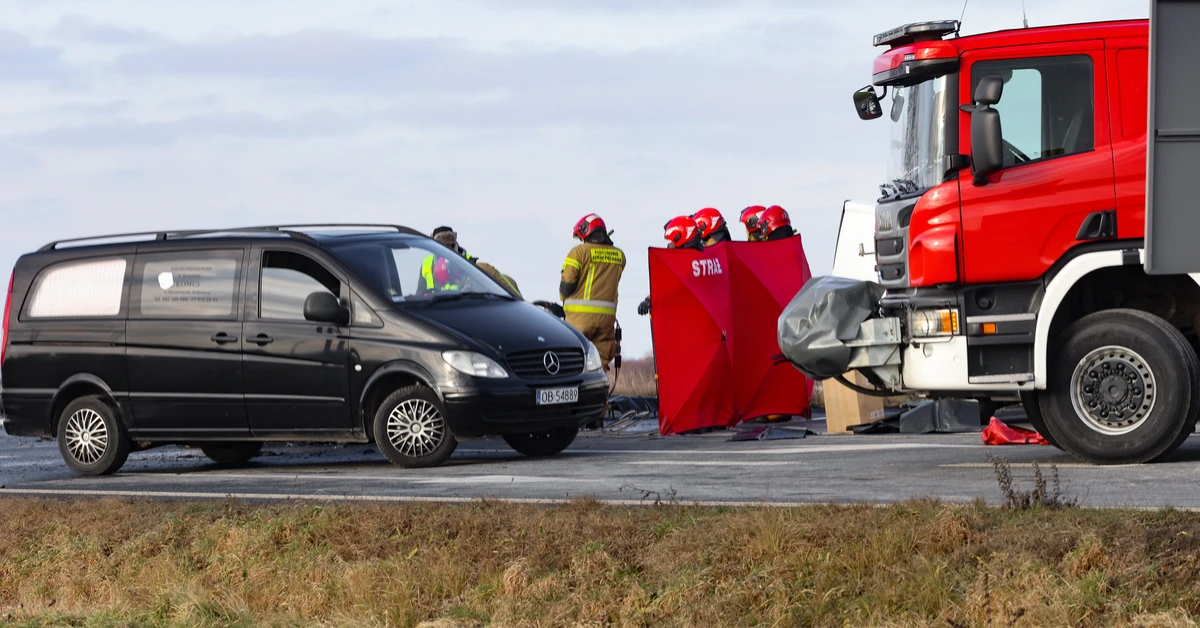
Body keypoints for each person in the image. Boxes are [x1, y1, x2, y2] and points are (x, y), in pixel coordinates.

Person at [561, 214, 626, 371]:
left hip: (578, 321)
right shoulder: (619, 255)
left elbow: (567, 287)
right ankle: (599, 395)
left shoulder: (578, 252)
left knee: (573, 363)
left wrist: (563, 300)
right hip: (606, 322)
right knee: (599, 366)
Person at [423, 226, 523, 299]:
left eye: (450, 245)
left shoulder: (471, 264)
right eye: (442, 245)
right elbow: (420, 293)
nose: (446, 250)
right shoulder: (427, 265)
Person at [638, 216, 705, 317]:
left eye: (673, 242)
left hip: (686, 319)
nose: (670, 245)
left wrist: (649, 300)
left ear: (681, 237)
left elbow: (668, 287)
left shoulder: (684, 263)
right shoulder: (705, 257)